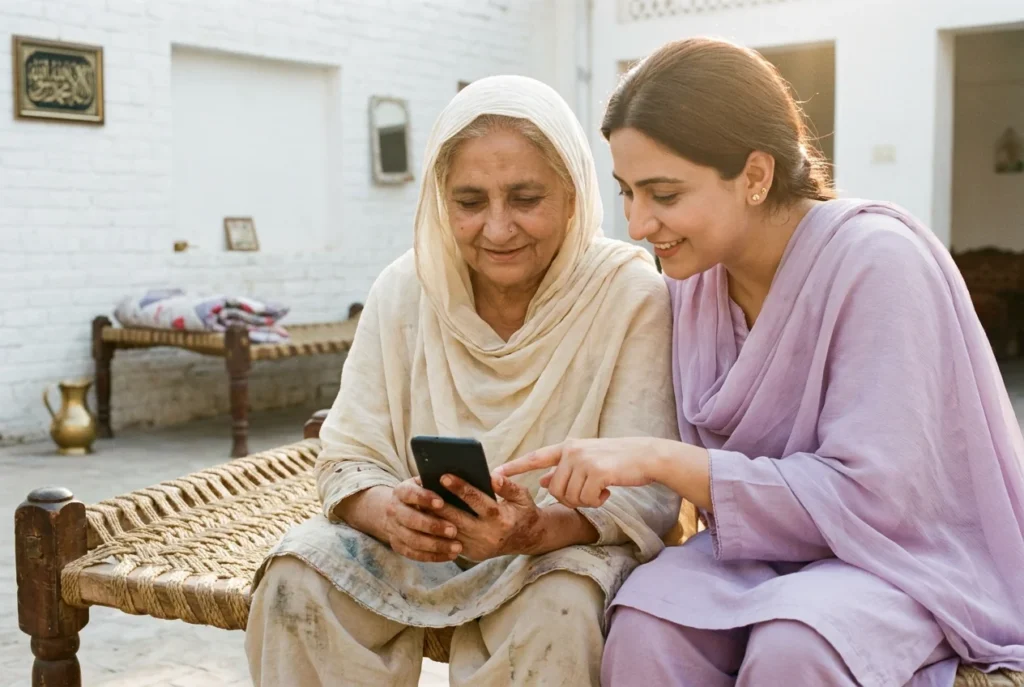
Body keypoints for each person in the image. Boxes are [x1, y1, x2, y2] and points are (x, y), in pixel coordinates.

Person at [498, 37, 1024, 687]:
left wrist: (661, 458)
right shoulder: (693, 282)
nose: (637, 223)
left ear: (755, 175)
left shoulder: (880, 262)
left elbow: (875, 501)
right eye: (628, 192)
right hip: (756, 554)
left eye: (663, 193)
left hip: (895, 557)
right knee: (643, 623)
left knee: (797, 643)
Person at [243, 75, 683, 687]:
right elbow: (347, 455)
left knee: (561, 609)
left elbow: (649, 495)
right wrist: (385, 512)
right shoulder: (406, 288)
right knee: (295, 579)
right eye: (470, 202)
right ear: (439, 200)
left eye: (526, 198)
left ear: (574, 195)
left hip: (554, 551)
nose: (498, 230)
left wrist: (531, 530)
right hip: (414, 550)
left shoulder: (629, 295)